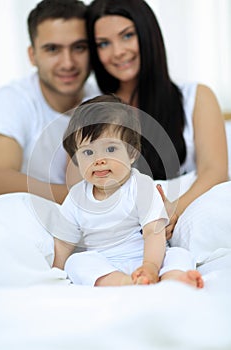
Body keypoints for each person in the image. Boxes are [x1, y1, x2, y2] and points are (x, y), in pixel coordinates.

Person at [86, 0, 228, 238]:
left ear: (147, 33)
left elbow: (215, 172)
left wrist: (170, 212)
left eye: (128, 35)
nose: (118, 51)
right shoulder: (92, 111)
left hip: (180, 218)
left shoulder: (196, 97)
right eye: (103, 43)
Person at [52, 94, 204, 288]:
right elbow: (64, 243)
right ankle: (126, 282)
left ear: (132, 153)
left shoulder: (141, 186)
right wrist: (53, 271)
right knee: (76, 263)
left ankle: (173, 278)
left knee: (179, 254)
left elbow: (153, 232)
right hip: (107, 264)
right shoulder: (76, 198)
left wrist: (149, 266)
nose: (99, 160)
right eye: (88, 152)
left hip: (147, 256)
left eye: (111, 149)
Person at [0, 0, 100, 205]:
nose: (68, 63)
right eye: (53, 49)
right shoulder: (15, 98)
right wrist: (87, 200)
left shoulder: (101, 100)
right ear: (32, 55)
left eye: (79, 47)